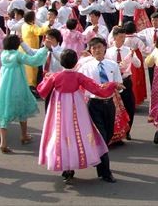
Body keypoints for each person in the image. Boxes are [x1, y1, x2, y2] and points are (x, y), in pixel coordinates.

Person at [37, 49, 121, 184]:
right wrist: (112, 85)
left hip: (60, 109)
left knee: (61, 135)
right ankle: (101, 169)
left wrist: (45, 77)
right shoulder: (78, 76)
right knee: (83, 133)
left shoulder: (55, 76)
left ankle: (67, 170)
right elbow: (97, 88)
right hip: (78, 108)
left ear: (61, 62)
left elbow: (42, 91)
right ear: (75, 62)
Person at [0, 35, 49, 153]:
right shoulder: (17, 55)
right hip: (18, 86)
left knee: (3, 112)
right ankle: (24, 135)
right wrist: (44, 49)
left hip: (4, 88)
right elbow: (34, 61)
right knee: (22, 109)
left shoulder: (3, 54)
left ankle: (3, 142)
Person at [78, 37, 124, 183]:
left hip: (109, 103)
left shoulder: (112, 65)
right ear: (90, 51)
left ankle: (99, 161)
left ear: (104, 48)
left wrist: (117, 86)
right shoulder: (86, 67)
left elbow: (118, 83)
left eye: (99, 47)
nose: (97, 50)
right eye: (94, 48)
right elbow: (82, 87)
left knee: (109, 134)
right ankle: (105, 172)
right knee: (102, 137)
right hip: (94, 104)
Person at [105, 26, 140, 141]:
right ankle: (114, 132)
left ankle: (128, 130)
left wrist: (132, 57)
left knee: (129, 106)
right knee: (113, 109)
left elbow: (138, 64)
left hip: (125, 81)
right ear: (114, 37)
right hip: (113, 82)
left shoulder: (128, 50)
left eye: (124, 37)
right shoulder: (108, 52)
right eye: (120, 37)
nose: (123, 39)